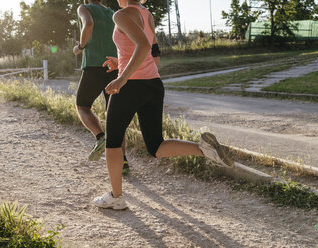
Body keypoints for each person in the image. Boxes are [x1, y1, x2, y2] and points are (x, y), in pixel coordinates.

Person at [93, 0, 234, 210]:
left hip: (130, 87)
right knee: (156, 146)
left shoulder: (121, 15)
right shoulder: (146, 13)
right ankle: (205, 150)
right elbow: (153, 56)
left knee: (112, 143)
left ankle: (116, 196)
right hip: (153, 85)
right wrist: (120, 61)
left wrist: (122, 78)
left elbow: (142, 47)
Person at [73, 0, 130, 174]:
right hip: (114, 66)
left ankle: (100, 137)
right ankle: (123, 162)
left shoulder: (84, 8)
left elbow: (88, 24)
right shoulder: (111, 13)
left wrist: (80, 46)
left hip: (93, 65)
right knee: (114, 114)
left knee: (82, 106)